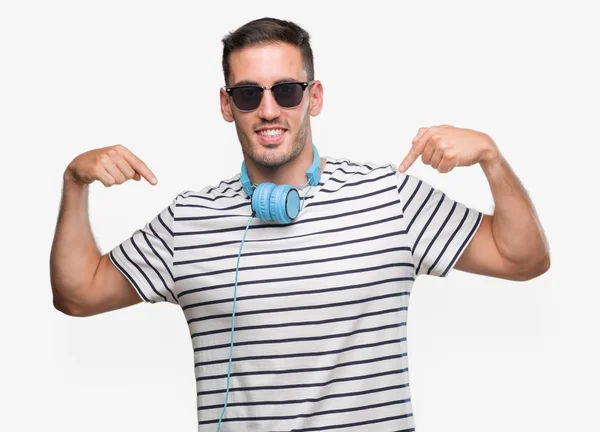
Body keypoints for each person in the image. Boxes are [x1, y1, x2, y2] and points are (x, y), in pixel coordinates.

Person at [50, 17, 550, 432]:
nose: (269, 109)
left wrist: (491, 157)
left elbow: (523, 258)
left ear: (314, 97)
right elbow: (77, 294)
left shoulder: (388, 196)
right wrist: (75, 182)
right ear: (227, 106)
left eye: (287, 90)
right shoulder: (189, 219)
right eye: (248, 94)